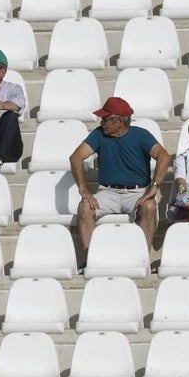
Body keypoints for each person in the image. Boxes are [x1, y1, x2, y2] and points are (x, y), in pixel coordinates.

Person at [69, 96, 172, 258]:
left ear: (119, 121)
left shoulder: (141, 135)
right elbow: (75, 158)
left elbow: (164, 157)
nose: (101, 122)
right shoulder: (99, 135)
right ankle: (90, 259)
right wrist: (83, 189)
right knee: (84, 208)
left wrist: (154, 187)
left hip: (137, 192)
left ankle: (142, 259)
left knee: (150, 207)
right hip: (107, 192)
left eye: (105, 119)